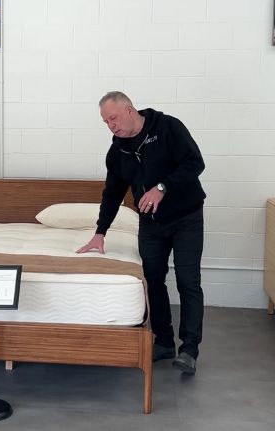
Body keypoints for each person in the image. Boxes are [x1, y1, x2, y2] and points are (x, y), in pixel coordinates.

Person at [77, 91, 206, 374]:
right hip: (151, 224)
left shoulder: (168, 127)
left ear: (129, 110)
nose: (111, 126)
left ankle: (189, 349)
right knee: (153, 281)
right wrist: (100, 232)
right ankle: (164, 342)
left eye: (113, 118)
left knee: (188, 281)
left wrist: (162, 187)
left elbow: (195, 163)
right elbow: (112, 194)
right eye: (105, 122)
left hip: (186, 218)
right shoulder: (118, 152)